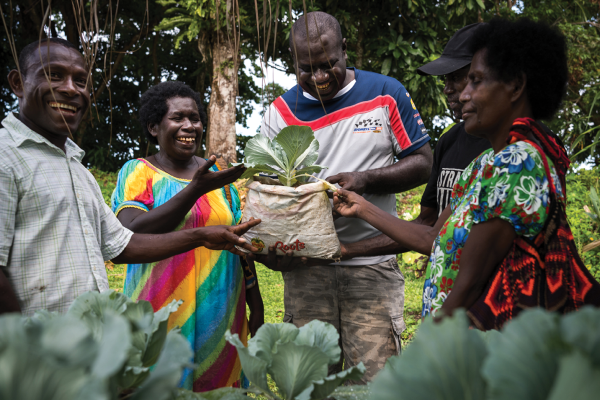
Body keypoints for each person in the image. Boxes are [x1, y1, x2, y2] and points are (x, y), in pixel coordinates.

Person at [333, 17, 600, 330]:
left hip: (486, 350)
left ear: (515, 85)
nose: (461, 95)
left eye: (475, 81)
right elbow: (433, 237)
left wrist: (431, 348)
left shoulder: (520, 162)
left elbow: (470, 284)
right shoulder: (486, 163)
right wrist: (361, 207)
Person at [0, 38, 260, 316]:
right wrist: (19, 346)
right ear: (17, 83)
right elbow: (134, 230)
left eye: (80, 80)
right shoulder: (7, 157)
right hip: (35, 349)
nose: (69, 89)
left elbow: (122, 245)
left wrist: (201, 236)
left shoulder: (75, 168)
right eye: (53, 76)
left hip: (87, 346)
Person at [258, 12, 433, 382]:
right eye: (307, 69)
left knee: (375, 383)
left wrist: (364, 180)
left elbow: (422, 162)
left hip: (373, 268)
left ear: (345, 50)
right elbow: (272, 188)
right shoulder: (280, 113)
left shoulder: (386, 93)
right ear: (293, 61)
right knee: (308, 382)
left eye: (328, 65)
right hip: (307, 272)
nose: (320, 78)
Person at [111, 81, 263, 391]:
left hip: (220, 313)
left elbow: (237, 241)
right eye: (177, 118)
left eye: (194, 118)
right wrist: (196, 188)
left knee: (217, 390)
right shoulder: (138, 172)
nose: (189, 126)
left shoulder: (222, 178)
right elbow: (131, 231)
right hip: (157, 316)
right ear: (154, 127)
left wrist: (256, 304)